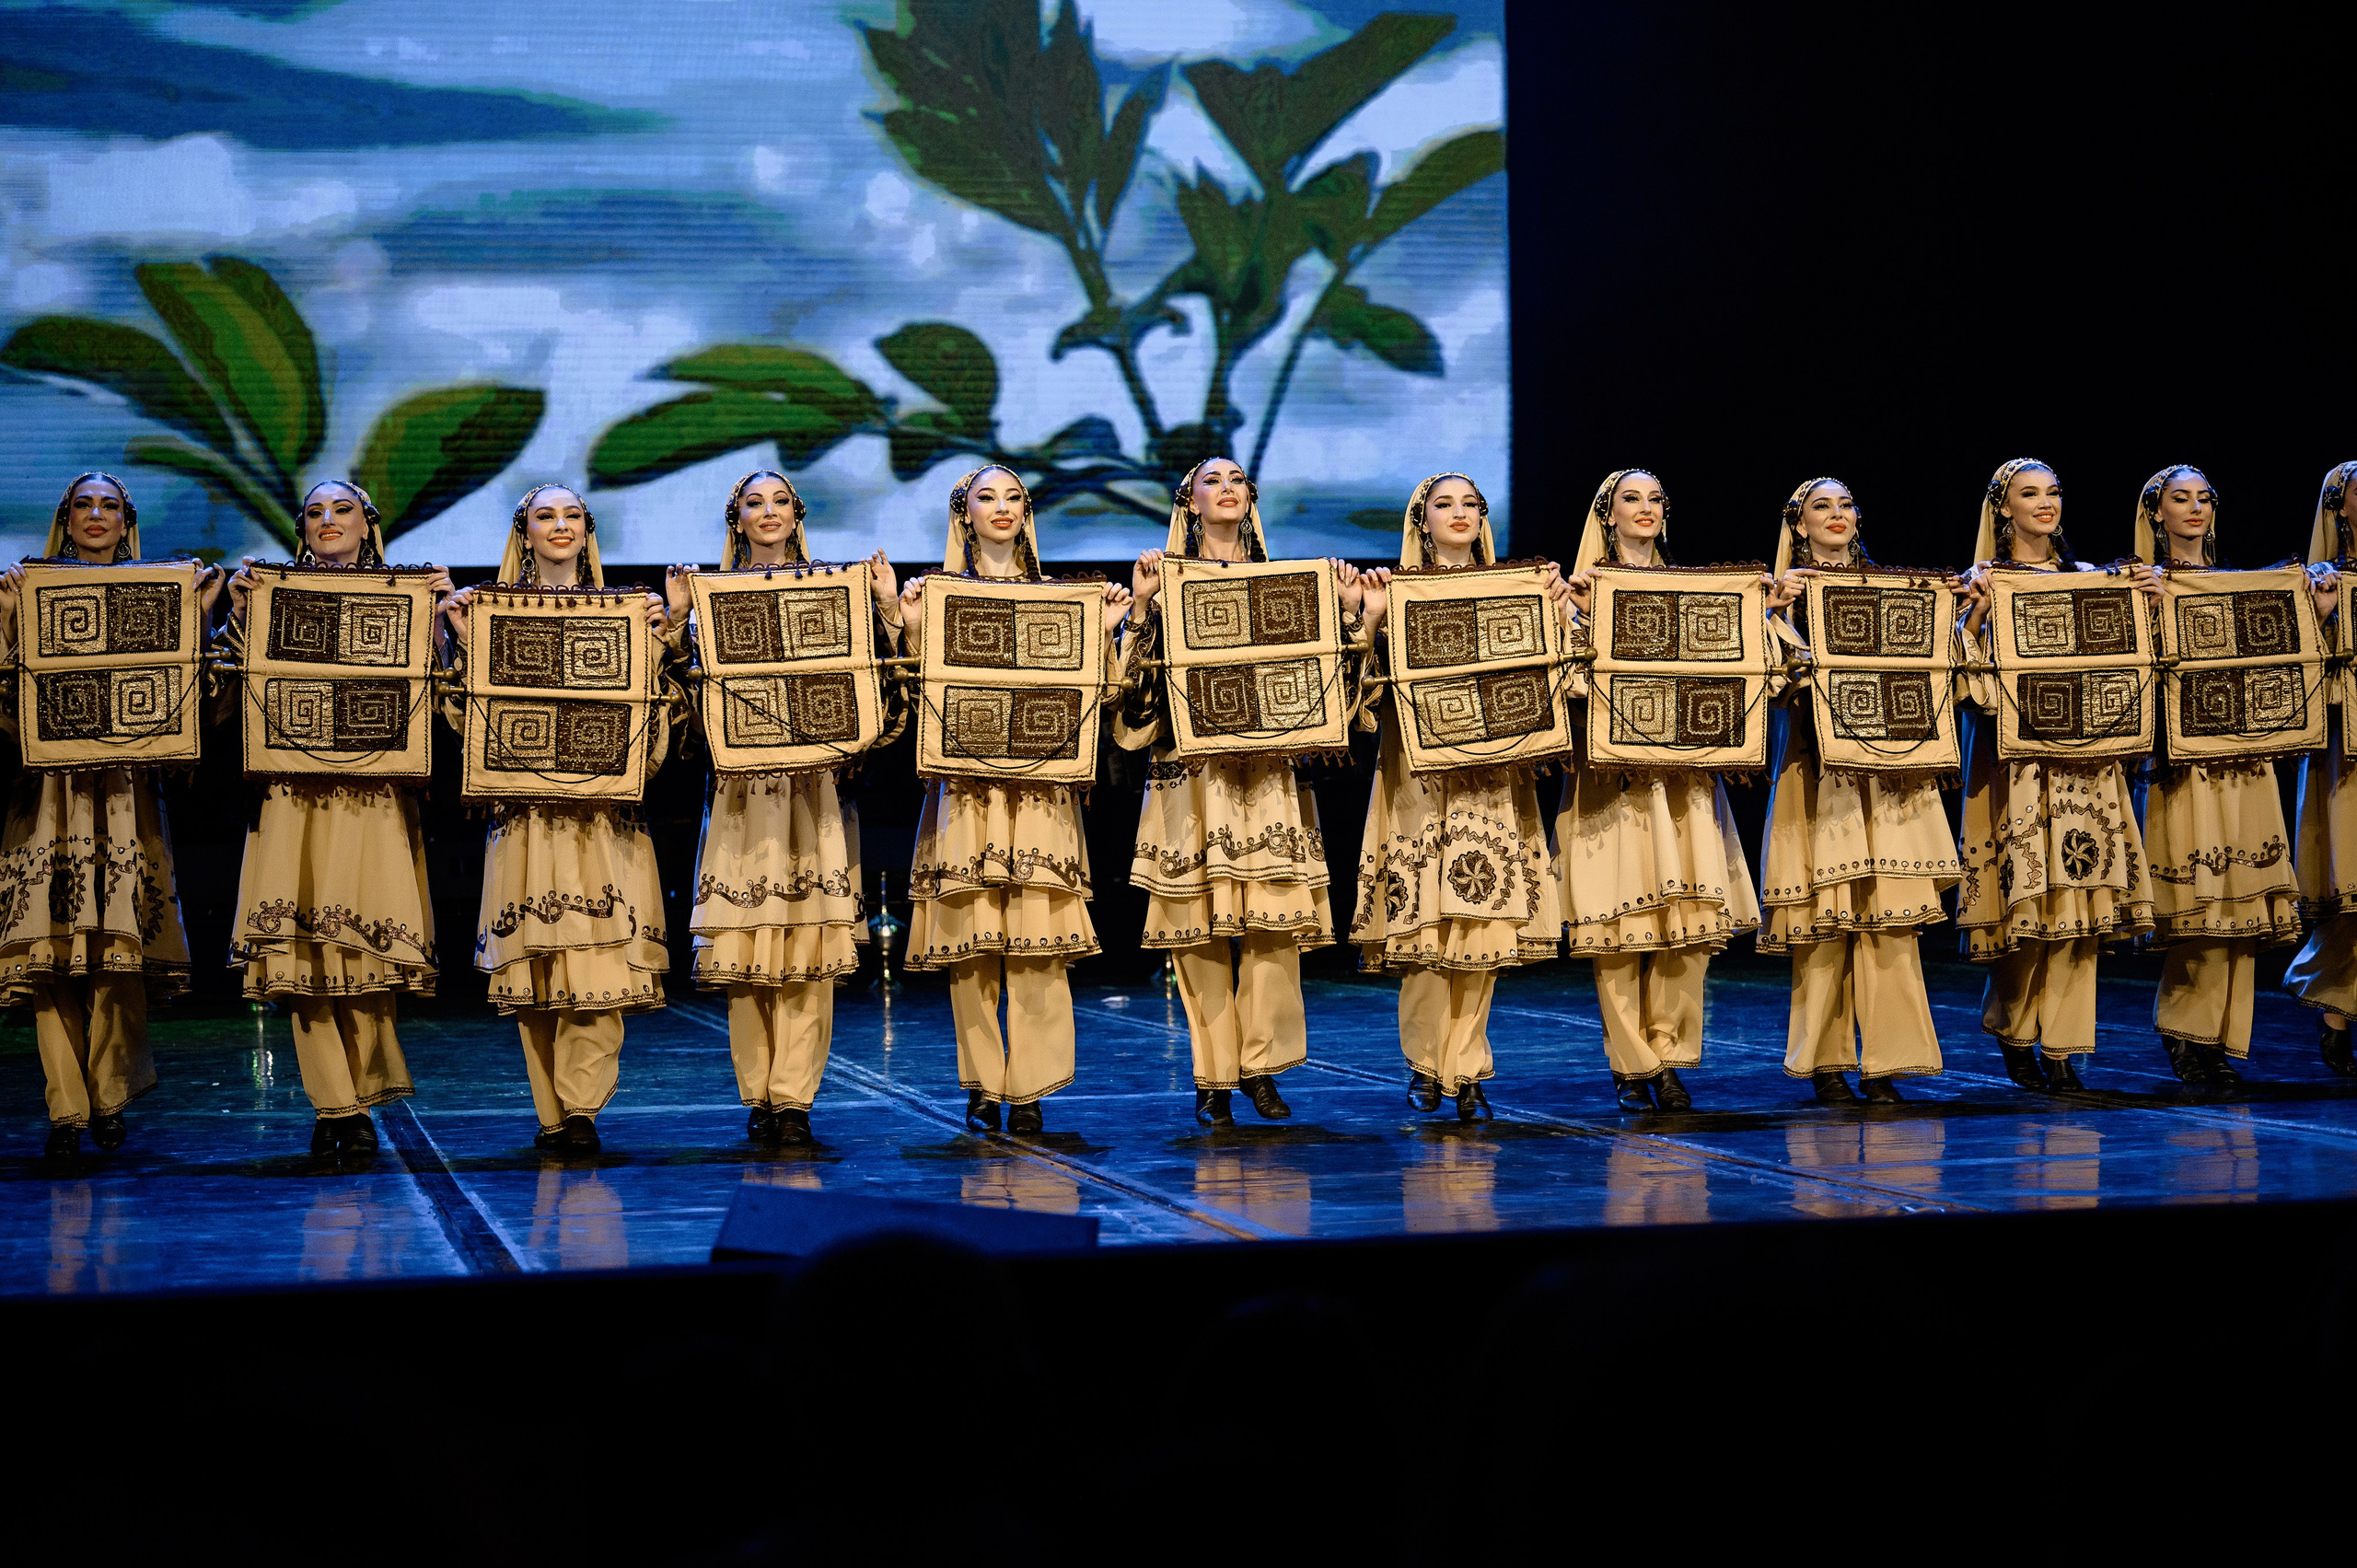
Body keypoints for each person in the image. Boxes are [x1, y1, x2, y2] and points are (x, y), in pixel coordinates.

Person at [665, 470, 902, 1146]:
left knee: (808, 947)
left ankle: (795, 1096)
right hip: (742, 793)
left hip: (812, 793)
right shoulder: (711, 599)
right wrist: (680, 623)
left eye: (778, 502)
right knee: (746, 946)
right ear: (735, 519)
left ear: (796, 514)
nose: (767, 512)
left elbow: (878, 695)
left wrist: (885, 610)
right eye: (753, 503)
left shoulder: (837, 591)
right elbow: (685, 706)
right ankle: (759, 1091)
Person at [438, 484, 677, 1155]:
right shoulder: (489, 614)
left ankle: (582, 1111)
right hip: (526, 818)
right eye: (546, 515)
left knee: (598, 969)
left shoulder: (626, 611)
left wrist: (659, 640)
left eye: (572, 515)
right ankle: (552, 1112)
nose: (561, 525)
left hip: (601, 821)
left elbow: (653, 727)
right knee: (536, 970)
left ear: (588, 529)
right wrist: (462, 644)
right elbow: (467, 728)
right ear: (525, 530)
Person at [896, 467, 1132, 1135]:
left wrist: (1107, 631)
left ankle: (1028, 1089)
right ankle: (982, 1084)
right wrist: (907, 622)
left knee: (1038, 944)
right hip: (966, 790)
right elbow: (918, 698)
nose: (1001, 508)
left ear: (1027, 514)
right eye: (986, 497)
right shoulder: (938, 596)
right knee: (973, 949)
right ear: (963, 515)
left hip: (1039, 793)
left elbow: (1103, 699)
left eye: (1013, 498)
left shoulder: (1064, 598)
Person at [223, 482, 449, 1156]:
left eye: (342, 509)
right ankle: (334, 1106)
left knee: (368, 945)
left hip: (374, 793)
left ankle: (363, 1089)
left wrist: (437, 619)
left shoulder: (404, 598)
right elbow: (238, 689)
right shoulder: (270, 595)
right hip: (294, 793)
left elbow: (435, 698)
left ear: (368, 524)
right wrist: (238, 612)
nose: (328, 520)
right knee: (301, 952)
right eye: (315, 512)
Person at [0, 474, 222, 1160]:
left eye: (110, 506)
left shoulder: (160, 592)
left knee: (116, 955)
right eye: (83, 505)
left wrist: (202, 615)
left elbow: (196, 698)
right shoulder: (26, 593)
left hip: (125, 795)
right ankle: (66, 1109)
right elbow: (8, 703)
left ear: (127, 522)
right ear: (65, 520)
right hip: (47, 796)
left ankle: (107, 1093)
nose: (97, 515)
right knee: (51, 956)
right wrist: (6, 618)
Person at [1114, 457, 1340, 1126]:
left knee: (1272, 925)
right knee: (1198, 930)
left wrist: (1355, 614)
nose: (1227, 490)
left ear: (1252, 497)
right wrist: (1144, 604)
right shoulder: (1164, 579)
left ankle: (1260, 1064)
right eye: (1212, 481)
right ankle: (1213, 1074)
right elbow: (1130, 691)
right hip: (1193, 774)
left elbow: (1325, 679)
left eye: (1237, 480)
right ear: (1189, 501)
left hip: (1266, 772)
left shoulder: (1285, 583)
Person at [1348, 473, 1566, 1121]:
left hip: (1491, 774)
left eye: (1471, 503)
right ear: (1422, 520)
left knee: (1482, 925)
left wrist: (1555, 611)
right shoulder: (1396, 590)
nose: (1460, 513)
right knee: (1425, 927)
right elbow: (1359, 696)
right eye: (1445, 504)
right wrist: (1372, 617)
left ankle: (1467, 1068)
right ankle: (1424, 1062)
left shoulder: (1516, 591)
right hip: (1421, 780)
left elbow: (1557, 675)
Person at [1558, 470, 1761, 1110]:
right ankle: (1631, 1061)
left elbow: (1752, 669)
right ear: (1606, 515)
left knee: (1691, 922)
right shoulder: (1576, 594)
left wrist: (1763, 613)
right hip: (1613, 779)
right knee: (1620, 924)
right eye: (1630, 500)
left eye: (1654, 500)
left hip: (1684, 779)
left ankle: (1670, 1055)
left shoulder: (1696, 592)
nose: (1644, 509)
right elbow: (1564, 682)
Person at [1953, 458, 2154, 1089]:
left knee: (2083, 908)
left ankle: (2065, 1046)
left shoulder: (2090, 578)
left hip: (2087, 761)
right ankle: (2012, 1020)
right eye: (2030, 493)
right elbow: (1964, 678)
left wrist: (2144, 599)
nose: (2046, 503)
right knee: (2031, 903)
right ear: (2003, 508)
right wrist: (1979, 615)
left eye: (2054, 492)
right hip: (2022, 764)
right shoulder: (1985, 580)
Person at [1759, 477, 1956, 1102]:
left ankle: (1889, 1061)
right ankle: (1826, 1060)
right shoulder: (1781, 595)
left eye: (1846, 505)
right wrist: (1773, 611)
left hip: (1890, 769)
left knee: (1892, 919)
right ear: (1799, 525)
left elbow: (1940, 667)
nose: (1837, 515)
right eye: (1822, 506)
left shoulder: (1894, 592)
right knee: (1828, 916)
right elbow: (1764, 677)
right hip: (1819, 770)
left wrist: (1960, 608)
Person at [2127, 466, 2305, 1082]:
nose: (2195, 508)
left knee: (2243, 900)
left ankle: (2227, 1037)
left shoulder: (2238, 584)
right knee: (2201, 901)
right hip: (2188, 761)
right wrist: (2143, 602)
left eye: (2204, 498)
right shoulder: (2145, 584)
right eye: (2181, 499)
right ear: (2157, 513)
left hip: (2244, 754)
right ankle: (2185, 1027)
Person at [2286, 459, 2357, 1075]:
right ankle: (2335, 1014)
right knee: (2353, 892)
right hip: (2350, 752)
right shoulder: (2322, 581)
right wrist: (2329, 612)